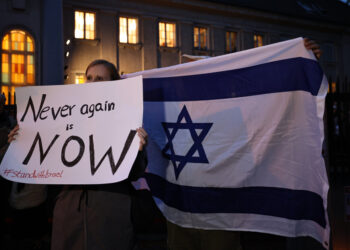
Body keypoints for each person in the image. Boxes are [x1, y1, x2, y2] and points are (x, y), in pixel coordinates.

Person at [165, 37, 323, 250]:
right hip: (179, 213)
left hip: (219, 215)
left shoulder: (236, 112)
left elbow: (280, 104)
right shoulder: (169, 109)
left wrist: (302, 61)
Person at [8, 59, 148, 250]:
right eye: (89, 78)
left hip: (110, 216)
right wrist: (22, 140)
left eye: (99, 79)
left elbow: (134, 173)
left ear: (113, 84)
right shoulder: (66, 116)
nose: (92, 83)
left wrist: (138, 150)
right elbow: (43, 160)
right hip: (69, 216)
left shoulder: (127, 119)